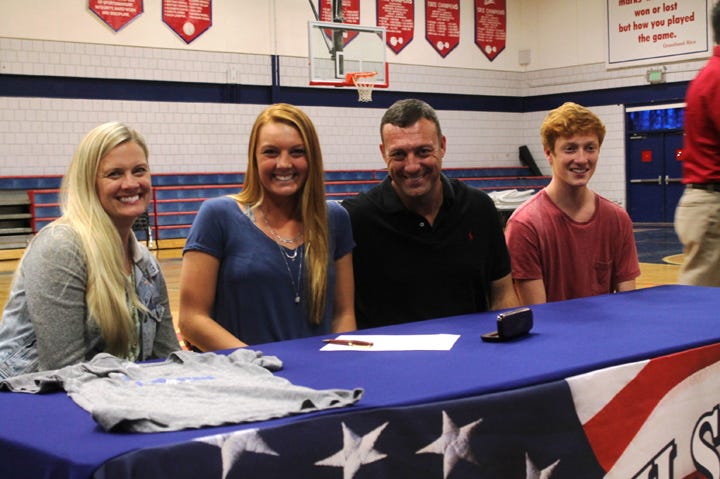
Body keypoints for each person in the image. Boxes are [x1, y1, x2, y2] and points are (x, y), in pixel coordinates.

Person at [0, 122, 180, 379]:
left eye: (139, 170)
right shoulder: (61, 248)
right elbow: (64, 372)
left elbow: (168, 361)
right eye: (114, 174)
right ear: (88, 183)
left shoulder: (147, 266)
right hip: (30, 397)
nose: (130, 183)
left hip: (110, 394)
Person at [179, 103, 356, 350]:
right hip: (246, 371)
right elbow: (192, 319)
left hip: (320, 372)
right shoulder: (218, 216)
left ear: (312, 157)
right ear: (254, 158)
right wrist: (256, 363)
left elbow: (343, 314)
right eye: (271, 152)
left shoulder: (334, 219)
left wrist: (339, 361)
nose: (284, 164)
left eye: (297, 152)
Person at [342, 98, 519, 329]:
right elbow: (340, 312)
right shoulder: (355, 220)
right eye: (399, 154)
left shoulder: (479, 208)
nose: (412, 166)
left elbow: (502, 295)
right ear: (383, 153)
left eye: (423, 151)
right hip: (391, 353)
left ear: (442, 146)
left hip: (471, 349)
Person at [504, 102, 640, 305]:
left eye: (590, 148)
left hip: (606, 326)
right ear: (549, 153)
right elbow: (538, 314)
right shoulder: (525, 225)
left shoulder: (617, 219)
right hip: (552, 326)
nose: (582, 159)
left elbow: (627, 303)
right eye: (570, 149)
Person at [674, 1, 720, 287]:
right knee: (702, 303)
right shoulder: (717, 75)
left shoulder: (712, 73)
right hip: (713, 207)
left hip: (709, 204)